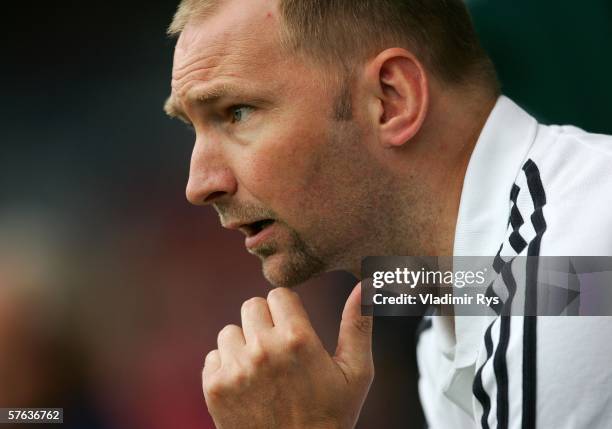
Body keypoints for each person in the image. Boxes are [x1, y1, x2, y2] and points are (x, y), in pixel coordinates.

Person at [163, 0, 612, 427]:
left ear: (391, 99)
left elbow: (582, 290)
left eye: (236, 112)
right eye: (193, 127)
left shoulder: (562, 279)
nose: (199, 185)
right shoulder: (468, 298)